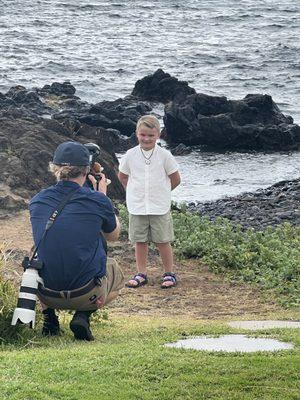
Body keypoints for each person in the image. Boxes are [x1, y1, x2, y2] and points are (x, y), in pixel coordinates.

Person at [29, 141, 124, 341]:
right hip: (86, 293)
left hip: (46, 293)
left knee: (36, 253)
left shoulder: (37, 200)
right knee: (113, 268)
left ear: (55, 168)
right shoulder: (97, 200)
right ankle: (84, 314)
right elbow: (113, 236)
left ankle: (49, 318)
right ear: (87, 169)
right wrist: (103, 198)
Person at [118, 115, 181, 289]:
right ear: (137, 134)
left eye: (151, 136)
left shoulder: (164, 155)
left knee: (162, 241)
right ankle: (141, 273)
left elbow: (175, 179)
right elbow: (123, 176)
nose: (146, 139)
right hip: (137, 206)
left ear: (158, 135)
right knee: (140, 241)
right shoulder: (130, 155)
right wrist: (133, 192)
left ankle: (169, 272)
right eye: (143, 135)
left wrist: (162, 193)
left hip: (159, 206)